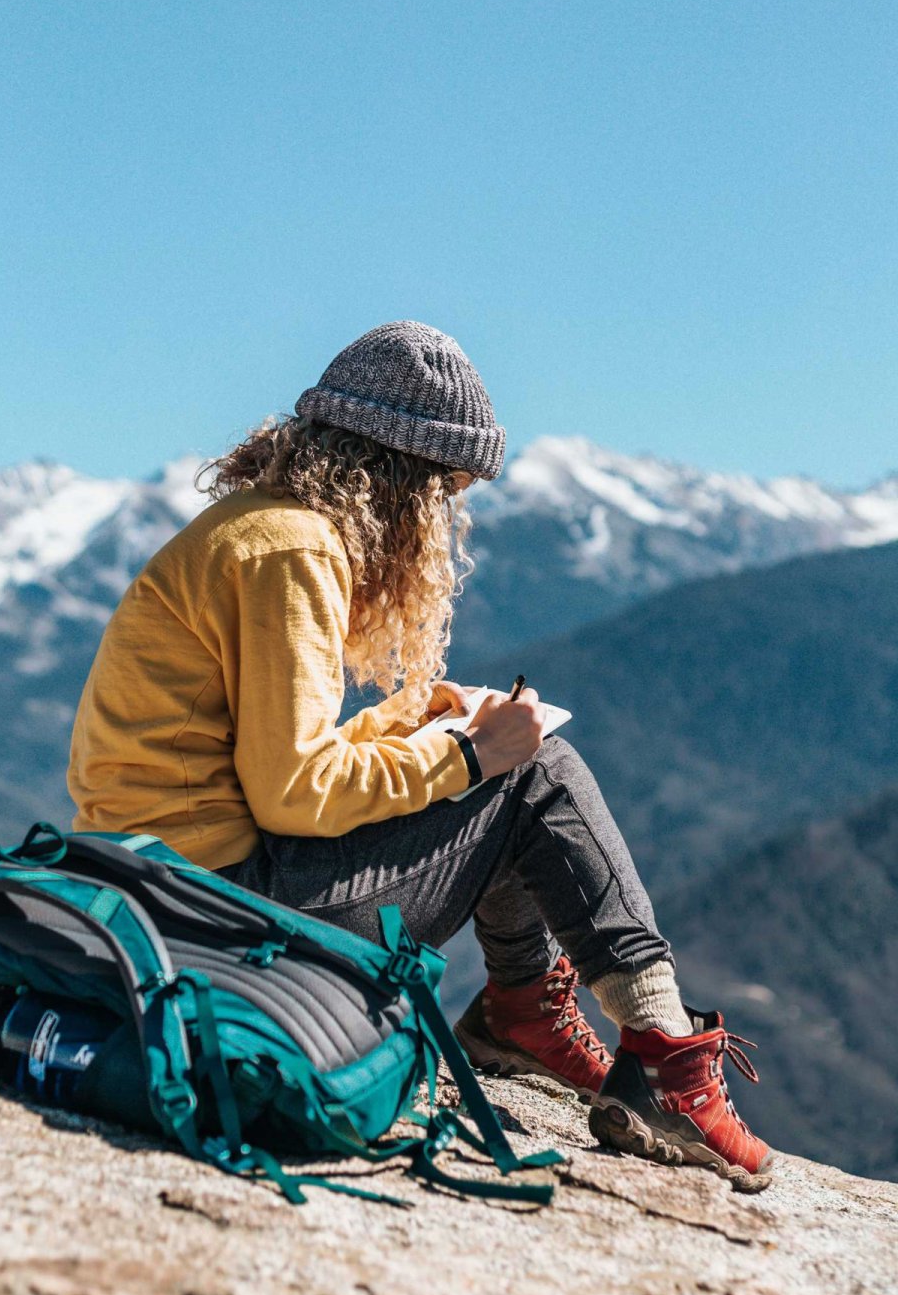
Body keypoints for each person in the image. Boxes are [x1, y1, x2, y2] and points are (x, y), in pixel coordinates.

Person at [67, 321, 773, 1192]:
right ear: (402, 478)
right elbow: (293, 793)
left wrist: (407, 724)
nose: (444, 519)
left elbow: (255, 761)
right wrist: (469, 758)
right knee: (537, 774)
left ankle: (524, 1011)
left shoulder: (255, 529)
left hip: (160, 883)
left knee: (510, 767)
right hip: (216, 908)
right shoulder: (294, 551)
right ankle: (664, 1059)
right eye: (445, 493)